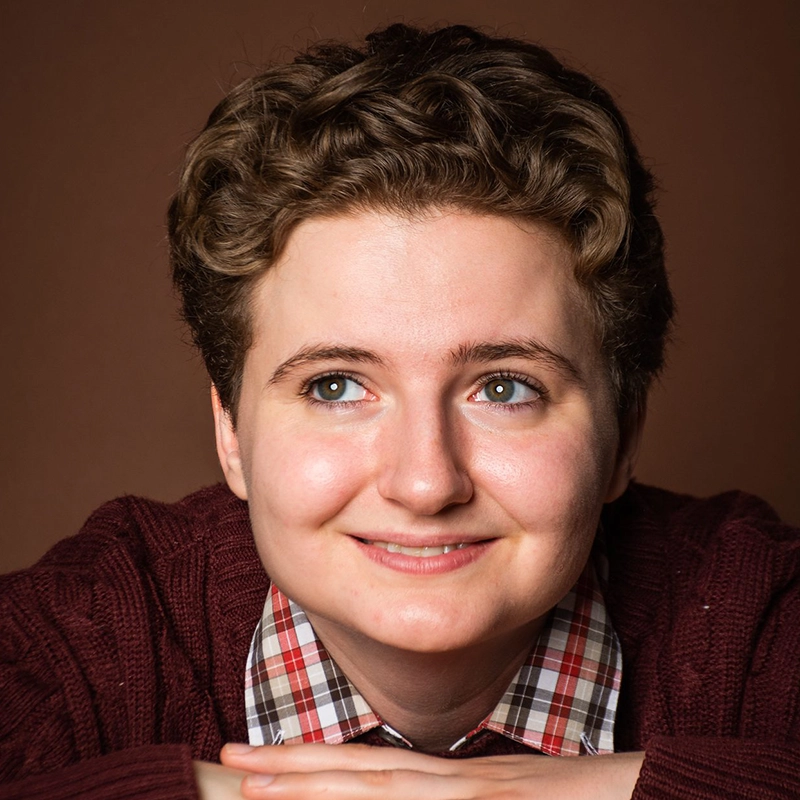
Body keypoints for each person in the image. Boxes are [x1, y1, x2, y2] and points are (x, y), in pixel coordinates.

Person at [1, 23, 798, 800]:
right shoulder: (85, 638)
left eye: (504, 387)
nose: (425, 483)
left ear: (624, 432)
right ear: (231, 434)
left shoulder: (763, 621)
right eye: (336, 386)